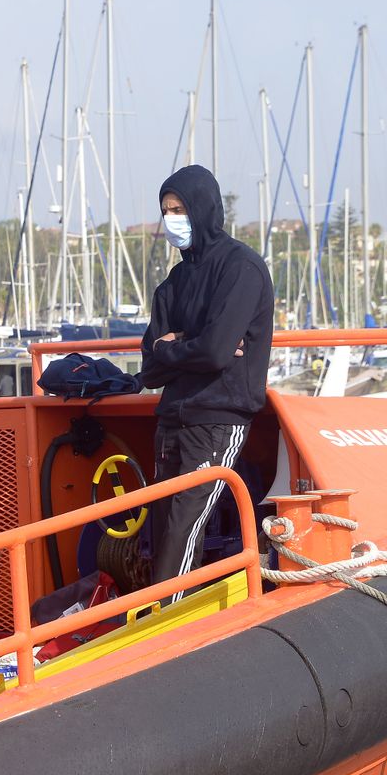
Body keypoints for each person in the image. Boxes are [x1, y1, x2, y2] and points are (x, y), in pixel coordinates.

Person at [137, 166, 274, 602]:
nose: (172, 218)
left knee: (184, 525)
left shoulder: (241, 269)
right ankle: (166, 615)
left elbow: (215, 354)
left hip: (219, 417)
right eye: (166, 211)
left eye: (179, 209)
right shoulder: (173, 284)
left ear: (203, 209)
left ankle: (163, 628)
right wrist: (181, 349)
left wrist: (175, 346)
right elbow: (151, 367)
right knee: (160, 528)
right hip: (171, 419)